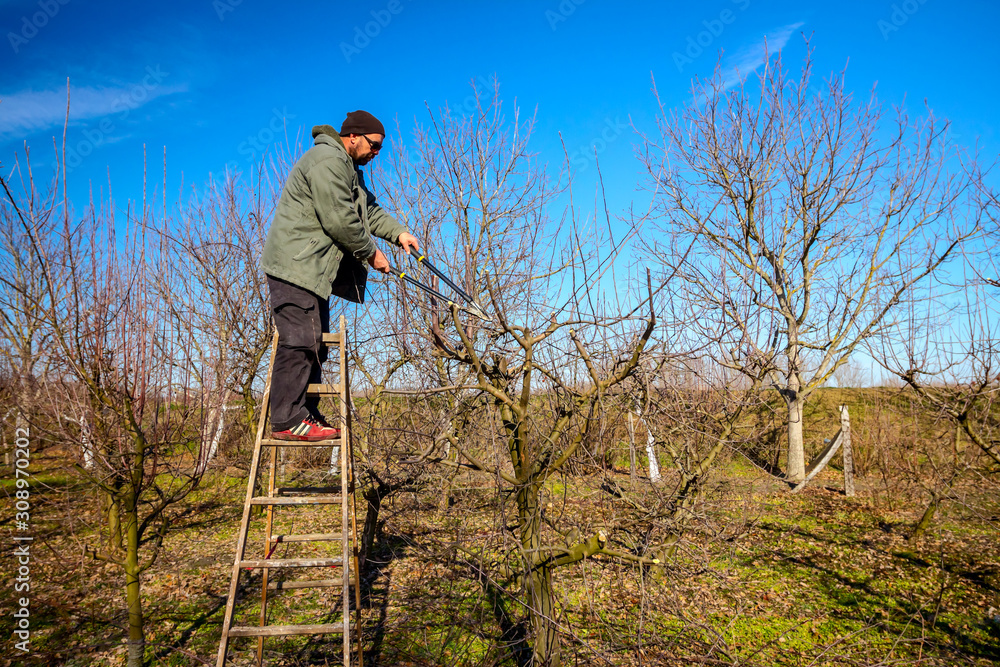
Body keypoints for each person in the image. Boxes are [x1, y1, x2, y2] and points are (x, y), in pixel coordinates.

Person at [261, 110, 419, 441]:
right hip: (295, 267)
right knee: (300, 341)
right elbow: (339, 219)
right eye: (374, 145)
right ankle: (287, 420)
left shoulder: (349, 170)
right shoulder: (327, 161)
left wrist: (399, 234)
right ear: (353, 137)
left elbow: (368, 212)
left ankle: (306, 411)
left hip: (313, 272)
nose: (377, 153)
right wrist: (371, 253)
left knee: (317, 344)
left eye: (380, 148)